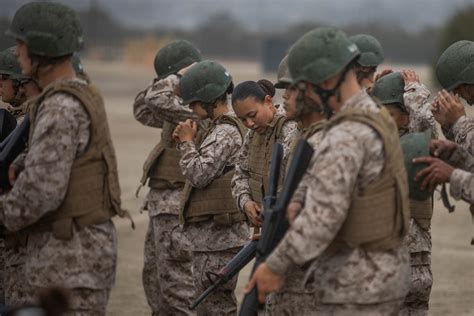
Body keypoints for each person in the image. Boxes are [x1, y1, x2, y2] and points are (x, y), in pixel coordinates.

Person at [245, 27, 411, 314]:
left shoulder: (346, 133)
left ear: (329, 80)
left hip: (357, 284)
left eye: (306, 87)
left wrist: (274, 264)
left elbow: (323, 218)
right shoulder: (374, 115)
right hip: (380, 274)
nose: (305, 96)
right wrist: (297, 201)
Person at [1, 2, 130, 314]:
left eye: (21, 44)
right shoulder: (77, 93)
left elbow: (38, 194)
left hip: (69, 261)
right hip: (72, 255)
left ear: (41, 51)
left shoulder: (60, 106)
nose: (17, 53)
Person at [173, 60, 248, 315]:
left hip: (218, 239)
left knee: (214, 307)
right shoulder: (225, 127)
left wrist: (186, 142)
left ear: (208, 99)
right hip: (217, 237)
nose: (192, 109)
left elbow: (198, 174)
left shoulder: (225, 132)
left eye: (194, 102)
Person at [133, 40, 201, 315]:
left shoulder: (198, 110)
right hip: (162, 206)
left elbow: (155, 99)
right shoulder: (178, 106)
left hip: (178, 209)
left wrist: (179, 77)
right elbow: (142, 109)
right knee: (156, 285)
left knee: (178, 293)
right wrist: (167, 79)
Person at [372, 70, 438, 315]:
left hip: (412, 250)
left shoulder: (419, 139)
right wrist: (372, 89)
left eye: (389, 114)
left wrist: (414, 92)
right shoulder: (376, 138)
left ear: (406, 112)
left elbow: (428, 121)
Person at [264, 56, 326, 315]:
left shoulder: (325, 141)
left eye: (291, 89)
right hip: (289, 268)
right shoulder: (298, 134)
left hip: (310, 275)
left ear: (313, 92)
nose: (284, 97)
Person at [231, 79, 298, 228]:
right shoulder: (252, 134)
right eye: (242, 119)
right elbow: (240, 174)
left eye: (253, 115)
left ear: (268, 102)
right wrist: (246, 202)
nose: (249, 123)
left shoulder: (290, 130)